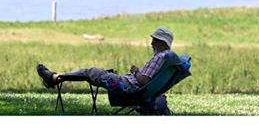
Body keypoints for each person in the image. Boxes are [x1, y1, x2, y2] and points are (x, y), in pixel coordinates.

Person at [36, 27, 175, 93]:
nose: (151, 44)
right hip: (128, 83)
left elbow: (143, 80)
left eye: (154, 40)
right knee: (98, 72)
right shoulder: (167, 58)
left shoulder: (160, 57)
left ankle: (54, 78)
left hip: (127, 86)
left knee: (90, 72)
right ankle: (55, 77)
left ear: (161, 42)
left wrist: (135, 71)